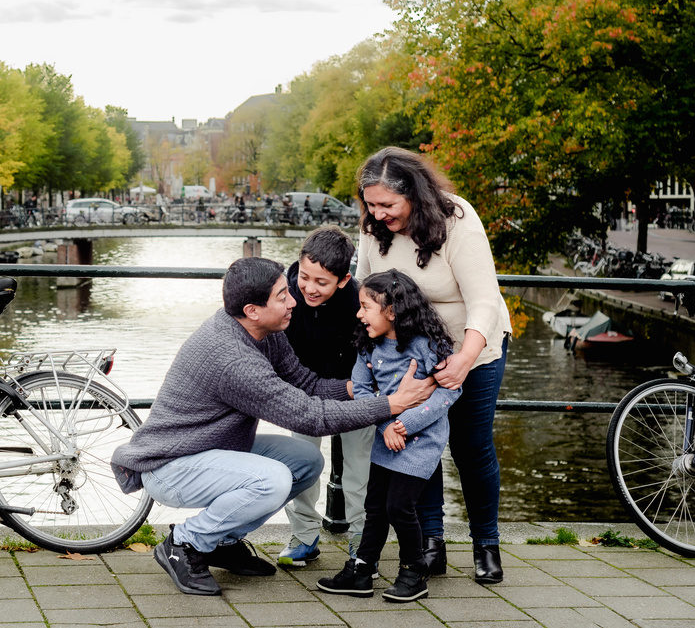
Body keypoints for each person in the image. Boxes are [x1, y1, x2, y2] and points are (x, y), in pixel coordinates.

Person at [110, 256, 436, 597]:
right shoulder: (234, 360)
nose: (294, 300)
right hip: (171, 465)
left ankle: (221, 541)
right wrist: (391, 404)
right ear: (252, 309)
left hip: (211, 447)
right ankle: (185, 543)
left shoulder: (263, 332)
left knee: (305, 461)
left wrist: (356, 389)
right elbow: (310, 417)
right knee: (273, 480)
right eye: (283, 295)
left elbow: (305, 383)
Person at [354, 146, 512, 585]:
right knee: (417, 441)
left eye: (387, 205)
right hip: (408, 357)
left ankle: (486, 544)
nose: (378, 214)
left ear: (416, 194)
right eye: (371, 205)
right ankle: (431, 543)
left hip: (472, 348)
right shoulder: (373, 227)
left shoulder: (456, 219)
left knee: (470, 446)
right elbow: (365, 290)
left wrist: (463, 359)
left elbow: (484, 299)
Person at [317, 270, 461, 602]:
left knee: (399, 507)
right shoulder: (368, 346)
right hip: (387, 438)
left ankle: (414, 572)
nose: (359, 314)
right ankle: (362, 570)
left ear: (392, 310)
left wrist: (405, 425)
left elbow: (449, 392)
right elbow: (364, 394)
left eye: (366, 306)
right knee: (375, 506)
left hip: (421, 440)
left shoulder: (428, 345)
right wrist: (386, 428)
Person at [277, 227, 373, 568]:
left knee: (358, 471)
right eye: (305, 277)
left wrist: (358, 387)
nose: (309, 288)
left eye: (321, 282)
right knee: (302, 464)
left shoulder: (360, 302)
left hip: (352, 392)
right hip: (304, 393)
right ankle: (304, 537)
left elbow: (373, 352)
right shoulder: (286, 296)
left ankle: (362, 543)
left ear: (343, 280)